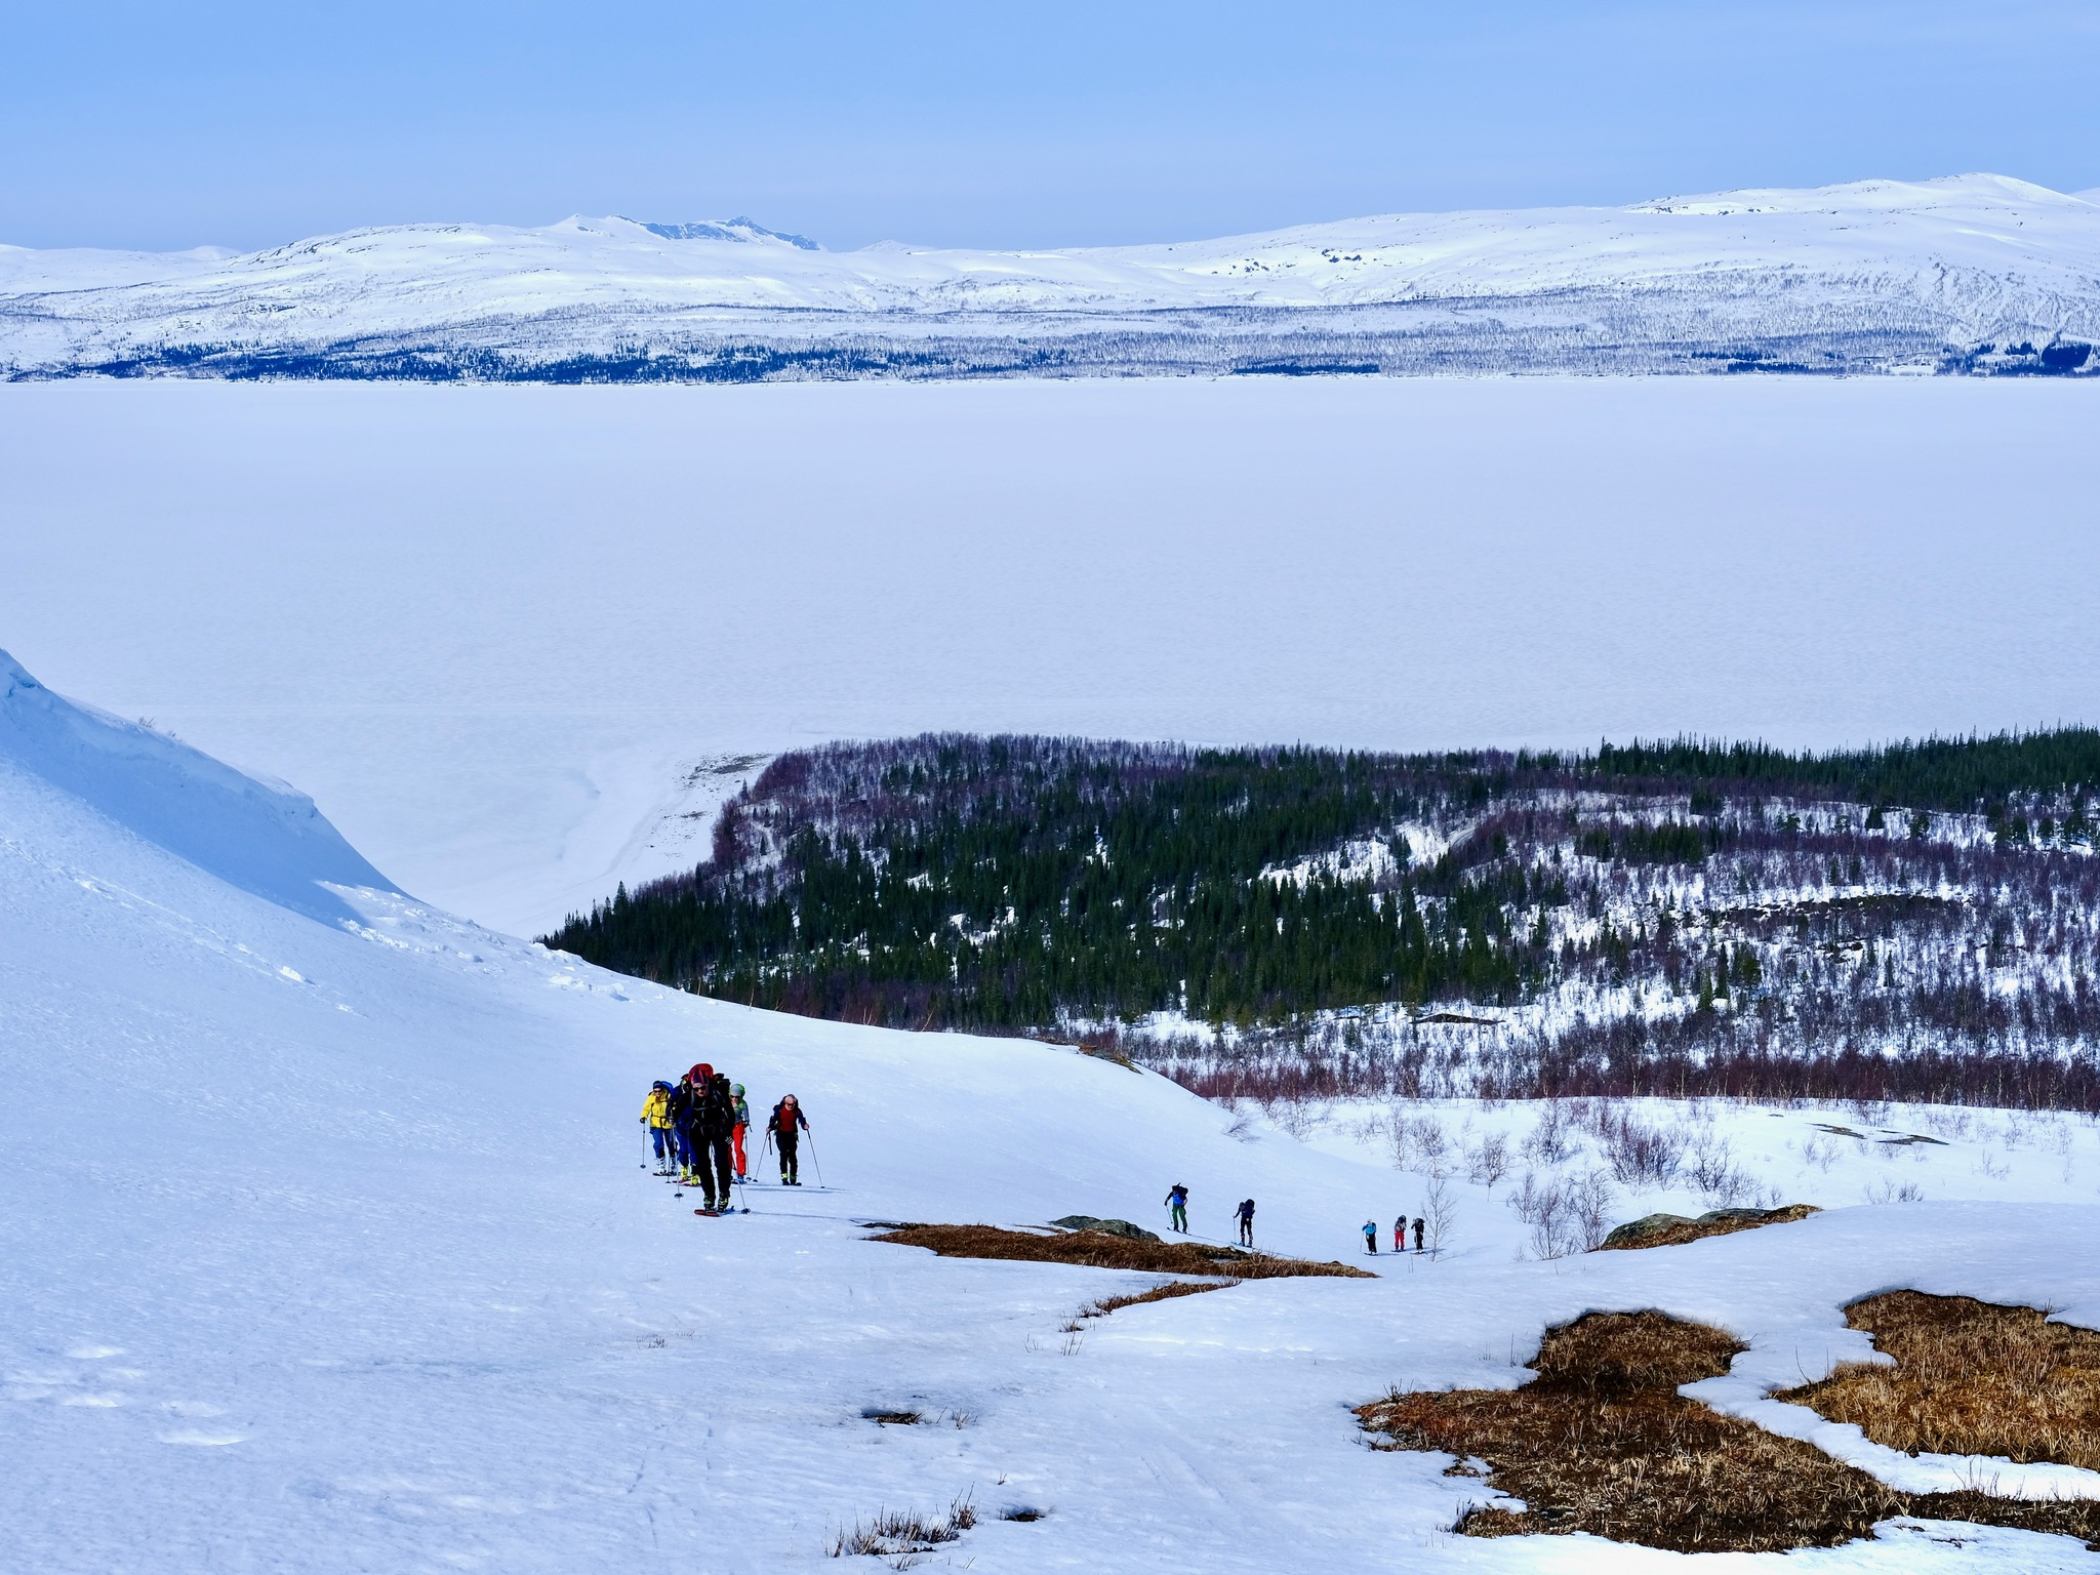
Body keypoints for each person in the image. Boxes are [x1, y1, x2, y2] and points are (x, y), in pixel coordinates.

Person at [695, 1072, 739, 1210]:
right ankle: (709, 1196)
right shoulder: (698, 1094)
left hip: (721, 1132)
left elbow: (730, 1114)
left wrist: (728, 1133)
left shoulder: (720, 1094)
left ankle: (724, 1194)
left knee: (721, 1163)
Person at [769, 1093, 811, 1185]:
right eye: (789, 1104)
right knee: (783, 1154)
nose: (791, 1106)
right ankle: (784, 1179)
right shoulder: (780, 1110)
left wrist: (805, 1125)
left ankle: (793, 1179)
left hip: (791, 1135)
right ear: (785, 1103)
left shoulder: (797, 1111)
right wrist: (770, 1127)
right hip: (781, 1134)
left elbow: (801, 1120)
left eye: (792, 1104)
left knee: (792, 1157)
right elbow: (774, 1120)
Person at [640, 1080, 675, 1172]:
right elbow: (646, 1108)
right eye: (655, 1091)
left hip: (668, 1123)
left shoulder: (668, 1096)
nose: (657, 1093)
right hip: (655, 1123)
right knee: (658, 1144)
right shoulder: (651, 1097)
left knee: (671, 1144)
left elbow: (674, 1107)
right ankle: (661, 1164)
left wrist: (674, 1116)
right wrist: (643, 1116)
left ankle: (674, 1162)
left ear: (662, 1090)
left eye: (659, 1091)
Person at [731, 1082, 752, 1183]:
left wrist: (745, 1122)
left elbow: (746, 1118)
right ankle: (727, 1172)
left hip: (738, 1128)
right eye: (732, 1096)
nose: (734, 1098)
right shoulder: (726, 1102)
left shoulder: (743, 1104)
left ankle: (740, 1173)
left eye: (737, 1097)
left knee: (738, 1149)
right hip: (727, 1129)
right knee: (727, 1148)